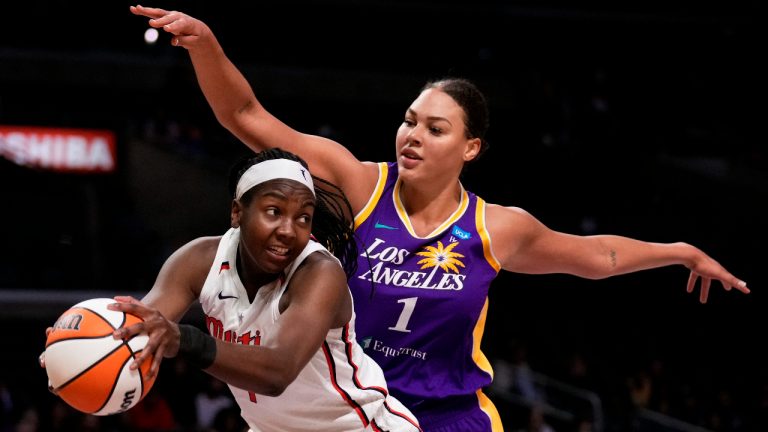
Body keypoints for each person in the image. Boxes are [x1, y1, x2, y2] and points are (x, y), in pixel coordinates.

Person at [130, 6, 751, 431]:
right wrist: (205, 44)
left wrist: (678, 250)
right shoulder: (357, 182)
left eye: (435, 128)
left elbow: (596, 257)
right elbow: (248, 117)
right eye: (408, 120)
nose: (413, 135)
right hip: (352, 408)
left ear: (470, 147)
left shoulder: (495, 228)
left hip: (453, 416)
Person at [43, 148, 421, 432]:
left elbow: (277, 371)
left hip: (359, 427)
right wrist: (82, 352)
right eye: (274, 211)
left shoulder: (319, 273)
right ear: (238, 213)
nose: (289, 230)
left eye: (302, 218)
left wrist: (184, 339)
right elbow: (144, 331)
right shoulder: (198, 260)